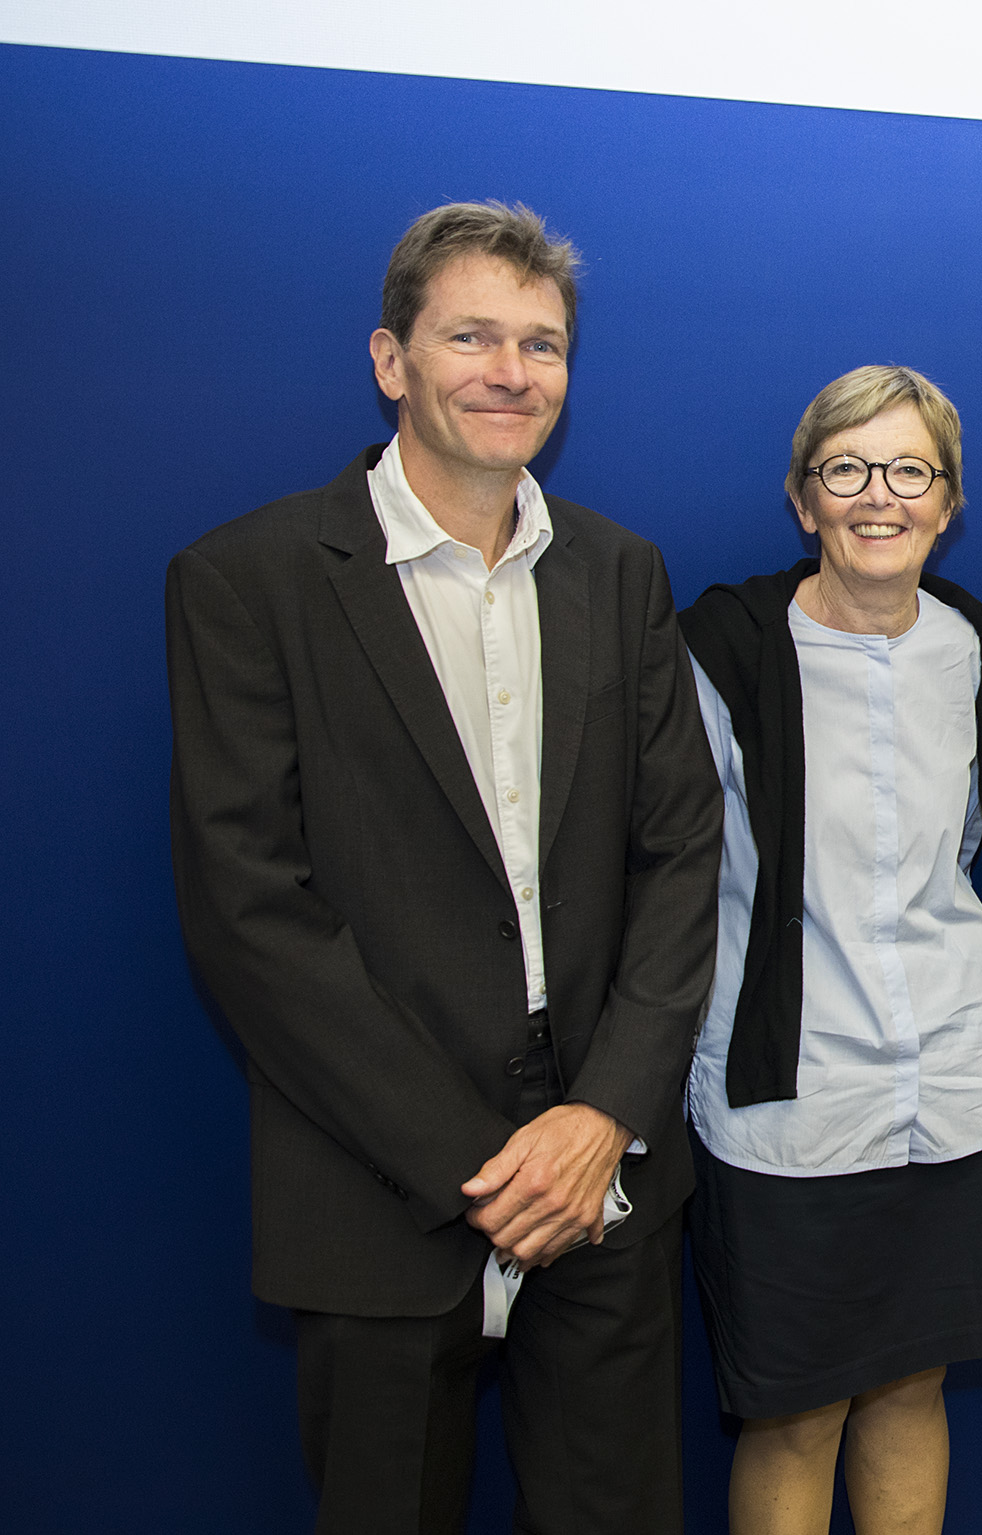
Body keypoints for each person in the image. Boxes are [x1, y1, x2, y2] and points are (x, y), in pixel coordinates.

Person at [166, 201, 723, 1534]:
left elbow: (679, 853)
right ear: (390, 359)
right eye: (471, 336)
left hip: (603, 1178)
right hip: (377, 1180)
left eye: (542, 343)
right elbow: (250, 910)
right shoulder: (248, 579)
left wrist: (600, 1118)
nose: (510, 371)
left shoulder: (621, 573)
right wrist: (478, 1162)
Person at [676, 365, 982, 1535]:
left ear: (947, 503)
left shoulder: (978, 649)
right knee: (795, 1412)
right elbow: (668, 872)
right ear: (803, 499)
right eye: (844, 469)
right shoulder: (721, 651)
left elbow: (976, 852)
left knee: (911, 1380)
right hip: (794, 1103)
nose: (877, 496)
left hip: (948, 1088)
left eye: (908, 471)